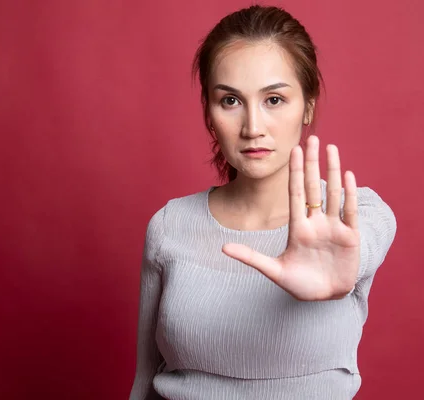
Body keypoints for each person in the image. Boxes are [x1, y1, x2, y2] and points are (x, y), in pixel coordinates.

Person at [129, 5, 396, 400]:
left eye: (273, 100)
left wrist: (345, 266)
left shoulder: (352, 217)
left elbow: (365, 242)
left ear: (307, 106)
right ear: (209, 112)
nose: (253, 127)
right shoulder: (170, 226)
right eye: (231, 101)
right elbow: (146, 380)